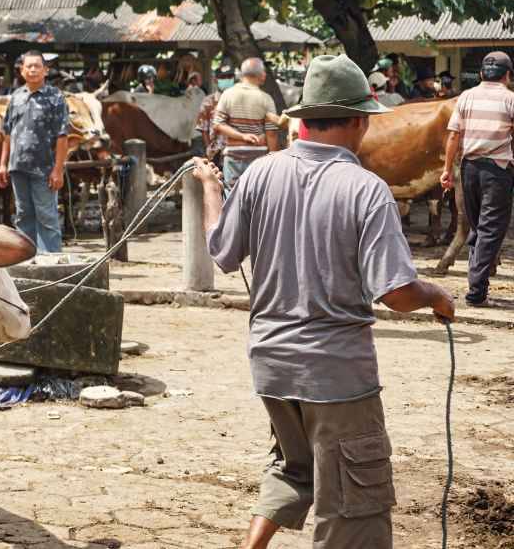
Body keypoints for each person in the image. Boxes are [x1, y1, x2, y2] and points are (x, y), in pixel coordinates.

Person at [193, 53, 455, 549]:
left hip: (271, 365)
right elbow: (396, 293)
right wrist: (436, 294)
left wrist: (210, 187)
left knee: (295, 467)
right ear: (359, 120)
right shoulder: (366, 189)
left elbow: (221, 252)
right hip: (335, 377)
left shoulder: (257, 175)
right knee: (354, 508)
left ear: (304, 119)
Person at [440, 51, 514, 308]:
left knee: (477, 226)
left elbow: (453, 136)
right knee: (491, 230)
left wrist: (447, 170)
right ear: (507, 75)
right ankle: (476, 292)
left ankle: (477, 279)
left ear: (482, 74)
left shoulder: (466, 97)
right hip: (497, 171)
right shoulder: (510, 99)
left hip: (468, 169)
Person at [0, 50, 69, 253]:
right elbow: (7, 133)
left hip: (44, 168)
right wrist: (3, 165)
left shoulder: (55, 98)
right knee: (23, 215)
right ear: (21, 71)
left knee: (46, 216)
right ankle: (26, 261)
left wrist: (58, 170)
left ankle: (50, 264)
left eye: (37, 66)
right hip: (17, 167)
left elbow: (63, 136)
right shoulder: (16, 96)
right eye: (29, 66)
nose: (33, 69)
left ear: (46, 70)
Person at [212, 57, 280, 189]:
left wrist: (241, 136)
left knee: (232, 196)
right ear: (261, 75)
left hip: (233, 157)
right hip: (258, 159)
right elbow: (271, 134)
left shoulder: (228, 94)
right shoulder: (266, 99)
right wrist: (274, 160)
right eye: (264, 72)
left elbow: (218, 124)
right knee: (256, 198)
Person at [197, 66, 232, 166]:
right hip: (215, 153)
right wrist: (209, 148)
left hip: (234, 152)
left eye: (229, 77)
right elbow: (203, 128)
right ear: (215, 80)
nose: (227, 80)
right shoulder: (208, 101)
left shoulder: (239, 100)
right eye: (223, 77)